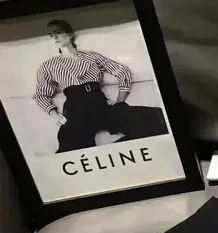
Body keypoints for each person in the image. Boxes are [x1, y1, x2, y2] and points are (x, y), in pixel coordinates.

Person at [33, 19, 168, 153]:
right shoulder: (48, 65)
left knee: (155, 120)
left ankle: (115, 150)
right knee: (72, 146)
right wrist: (54, 114)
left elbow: (124, 72)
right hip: (75, 108)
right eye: (51, 35)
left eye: (58, 32)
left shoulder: (92, 57)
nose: (55, 37)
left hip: (98, 102)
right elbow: (40, 95)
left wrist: (120, 102)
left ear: (70, 34)